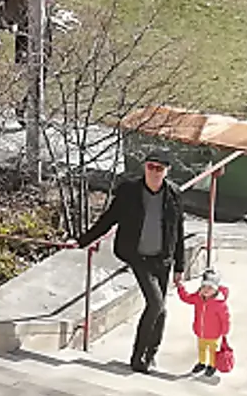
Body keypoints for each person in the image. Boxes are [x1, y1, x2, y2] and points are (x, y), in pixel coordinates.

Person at [80, 153, 188, 374]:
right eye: (151, 167)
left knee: (161, 310)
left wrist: (179, 265)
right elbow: (109, 218)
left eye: (159, 168)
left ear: (167, 171)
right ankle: (138, 357)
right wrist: (83, 240)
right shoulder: (129, 191)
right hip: (138, 256)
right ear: (145, 168)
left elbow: (178, 230)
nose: (154, 172)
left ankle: (151, 354)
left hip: (163, 258)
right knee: (156, 304)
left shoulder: (174, 194)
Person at [178, 268, 231, 380]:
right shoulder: (198, 298)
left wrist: (225, 330)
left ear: (215, 290)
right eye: (204, 287)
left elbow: (225, 318)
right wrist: (180, 288)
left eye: (210, 288)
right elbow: (186, 298)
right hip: (200, 331)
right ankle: (202, 363)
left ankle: (212, 365)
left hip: (214, 333)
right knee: (201, 348)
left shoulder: (219, 303)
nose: (206, 290)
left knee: (212, 350)